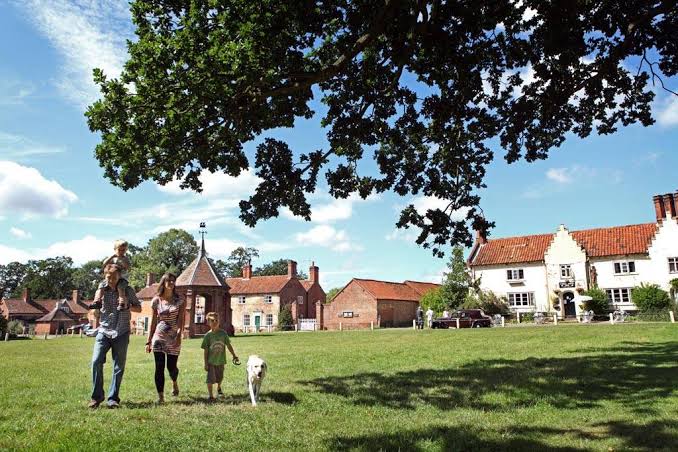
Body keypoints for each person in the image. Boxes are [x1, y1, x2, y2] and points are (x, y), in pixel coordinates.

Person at [88, 263, 141, 409]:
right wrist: (95, 312)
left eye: (114, 277)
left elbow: (139, 307)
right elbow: (95, 310)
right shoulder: (101, 290)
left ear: (119, 276)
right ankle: (96, 397)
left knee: (118, 367)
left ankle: (113, 398)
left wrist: (128, 305)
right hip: (104, 331)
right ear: (105, 276)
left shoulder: (127, 290)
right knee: (95, 361)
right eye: (108, 277)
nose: (111, 280)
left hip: (121, 331)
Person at [145, 272, 185, 404]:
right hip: (159, 336)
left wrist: (179, 335)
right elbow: (153, 321)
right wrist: (149, 340)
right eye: (169, 281)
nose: (171, 283)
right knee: (159, 366)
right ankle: (161, 396)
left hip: (174, 336)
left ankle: (174, 382)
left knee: (171, 367)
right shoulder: (156, 300)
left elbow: (181, 320)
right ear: (163, 283)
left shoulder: (179, 300)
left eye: (173, 281)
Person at [91, 240, 132, 338]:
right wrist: (112, 257)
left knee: (121, 289)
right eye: (119, 250)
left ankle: (121, 302)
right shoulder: (112, 258)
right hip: (111, 279)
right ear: (115, 249)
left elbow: (128, 267)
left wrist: (122, 261)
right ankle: (97, 301)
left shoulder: (125, 258)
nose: (121, 252)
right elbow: (104, 264)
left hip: (122, 279)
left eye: (123, 250)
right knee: (101, 286)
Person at [201, 312, 239, 402]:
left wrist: (234, 355)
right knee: (210, 379)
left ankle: (219, 388)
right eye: (212, 320)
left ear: (219, 322)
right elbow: (205, 351)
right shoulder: (207, 336)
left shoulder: (223, 334)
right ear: (208, 323)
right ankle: (210, 396)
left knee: (220, 378)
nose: (214, 322)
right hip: (211, 362)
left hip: (221, 361)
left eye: (216, 320)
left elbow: (229, 345)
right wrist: (206, 363)